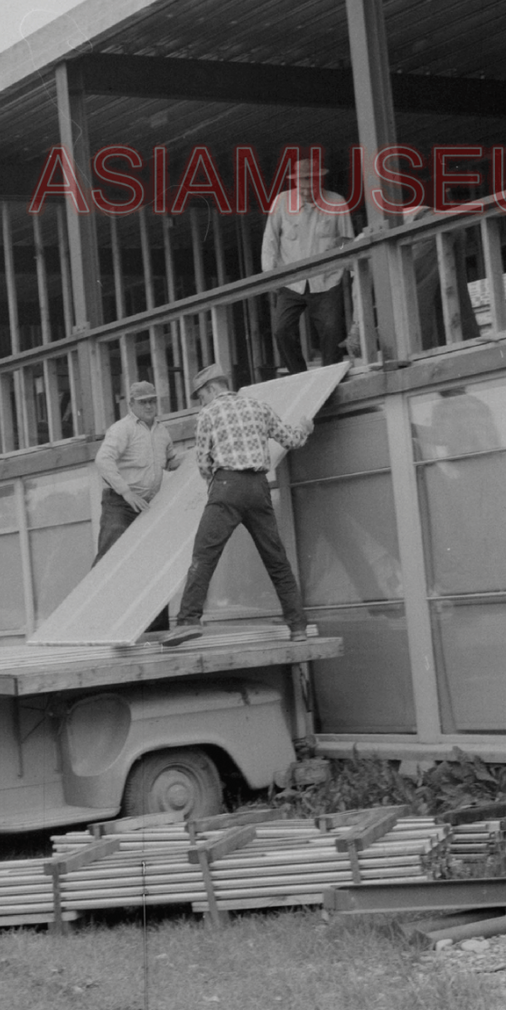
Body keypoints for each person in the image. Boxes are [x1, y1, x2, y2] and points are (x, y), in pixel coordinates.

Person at [162, 364, 312, 648]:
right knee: (276, 560)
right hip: (258, 488)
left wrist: (214, 485)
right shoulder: (258, 406)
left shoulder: (208, 414)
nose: (200, 401)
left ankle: (187, 622)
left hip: (227, 487)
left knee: (204, 555)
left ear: (211, 389)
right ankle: (298, 626)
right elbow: (291, 439)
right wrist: (305, 427)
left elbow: (204, 462)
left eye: (200, 395)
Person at [261, 155, 354, 375]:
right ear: (295, 182)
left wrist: (342, 261)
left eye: (309, 184)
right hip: (291, 281)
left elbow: (348, 242)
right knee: (281, 330)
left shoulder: (337, 202)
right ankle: (299, 375)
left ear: (319, 180)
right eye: (301, 184)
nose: (305, 190)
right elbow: (270, 240)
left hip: (327, 279)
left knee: (331, 331)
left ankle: (330, 376)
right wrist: (270, 275)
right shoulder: (281, 201)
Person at [92, 381, 181, 563]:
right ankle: (96, 592)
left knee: (145, 560)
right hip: (120, 505)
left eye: (151, 401)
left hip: (147, 506)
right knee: (110, 558)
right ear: (131, 404)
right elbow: (102, 459)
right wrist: (126, 493)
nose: (148, 406)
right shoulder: (122, 429)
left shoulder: (162, 431)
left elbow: (171, 461)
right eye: (142, 402)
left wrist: (196, 455)